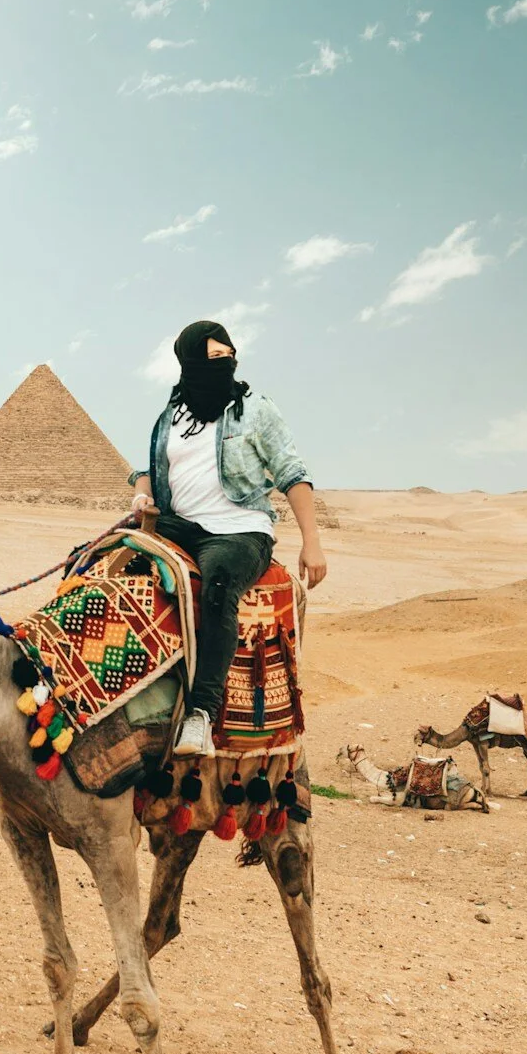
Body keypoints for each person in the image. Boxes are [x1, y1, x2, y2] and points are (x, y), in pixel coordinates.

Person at [130, 320, 328, 756]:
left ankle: (201, 714)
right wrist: (141, 497)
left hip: (239, 530)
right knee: (109, 558)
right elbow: (147, 470)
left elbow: (292, 472)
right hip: (180, 523)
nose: (224, 364)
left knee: (218, 589)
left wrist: (311, 541)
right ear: (190, 362)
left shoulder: (255, 409)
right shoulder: (171, 416)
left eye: (229, 356)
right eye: (213, 357)